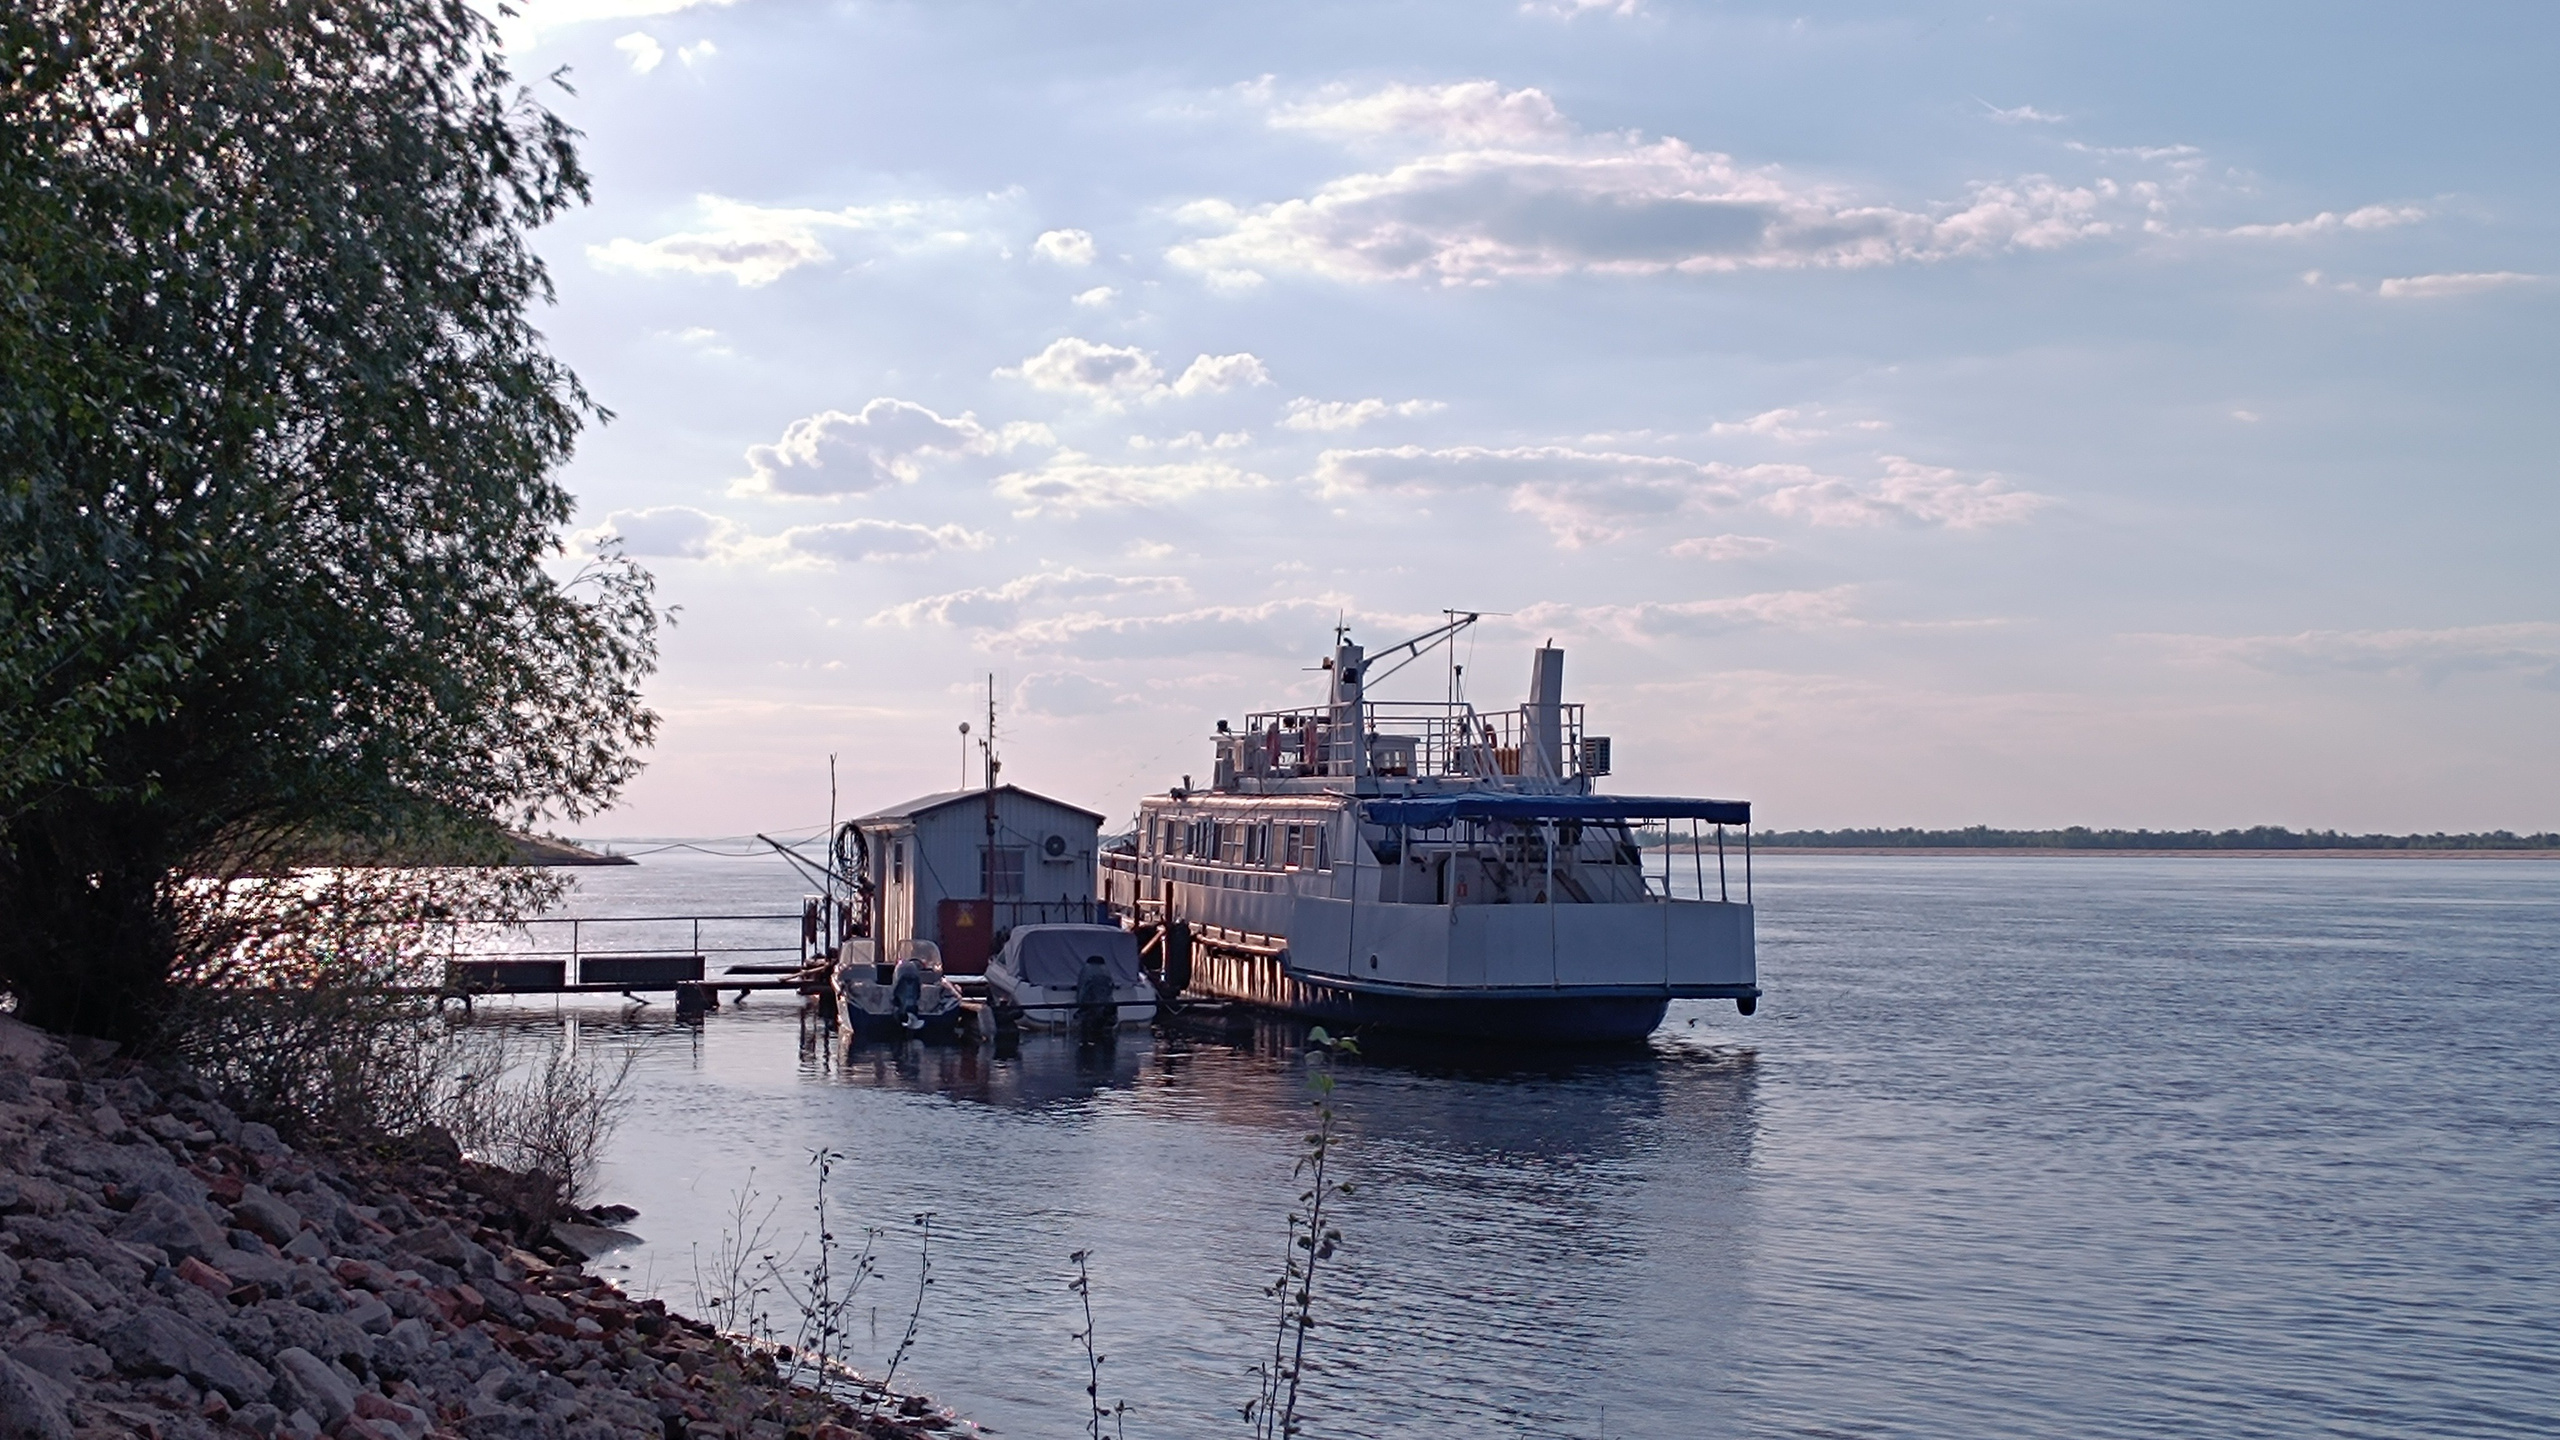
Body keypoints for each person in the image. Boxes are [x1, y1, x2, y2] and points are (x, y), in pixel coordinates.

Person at [1074, 954, 1117, 1042]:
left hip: (1090, 1009)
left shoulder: (1086, 971)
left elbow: (1082, 990)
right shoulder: (1105, 971)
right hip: (1102, 1010)